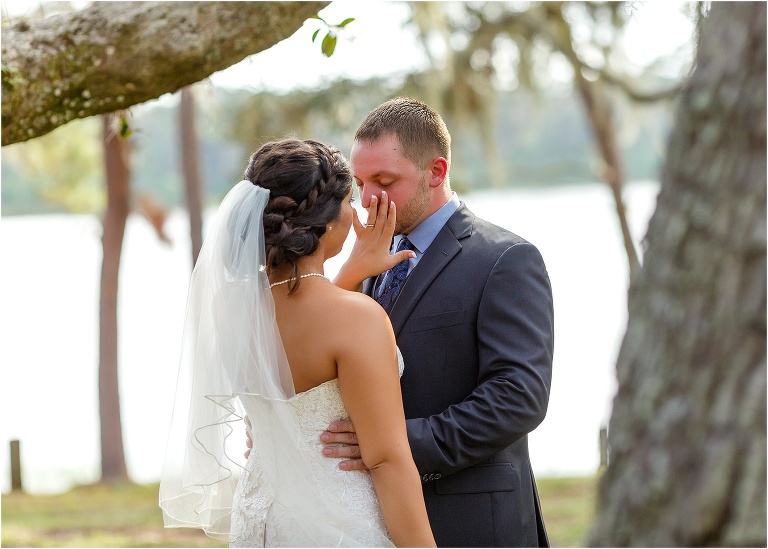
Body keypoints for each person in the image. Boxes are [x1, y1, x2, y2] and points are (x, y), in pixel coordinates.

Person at [159, 139, 435, 547]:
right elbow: (387, 460)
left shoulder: (232, 306)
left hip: (258, 524)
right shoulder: (356, 319)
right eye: (349, 202)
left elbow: (295, 337)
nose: (356, 212)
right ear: (327, 223)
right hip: (336, 528)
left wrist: (349, 272)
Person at [324, 97, 555, 547]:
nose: (367, 200)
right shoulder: (368, 261)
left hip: (472, 521)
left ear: (436, 171)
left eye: (384, 182)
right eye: (360, 183)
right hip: (374, 521)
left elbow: (518, 397)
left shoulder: (506, 259)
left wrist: (393, 444)